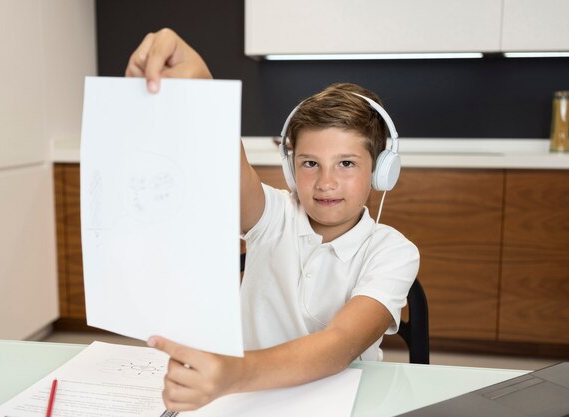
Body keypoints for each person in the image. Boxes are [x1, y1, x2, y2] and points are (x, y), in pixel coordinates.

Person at [126, 28, 420, 412]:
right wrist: (201, 87)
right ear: (290, 166)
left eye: (346, 163)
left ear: (382, 171)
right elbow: (225, 157)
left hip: (339, 401)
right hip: (248, 396)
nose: (326, 182)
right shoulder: (273, 215)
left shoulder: (393, 251)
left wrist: (232, 373)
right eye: (309, 163)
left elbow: (339, 345)